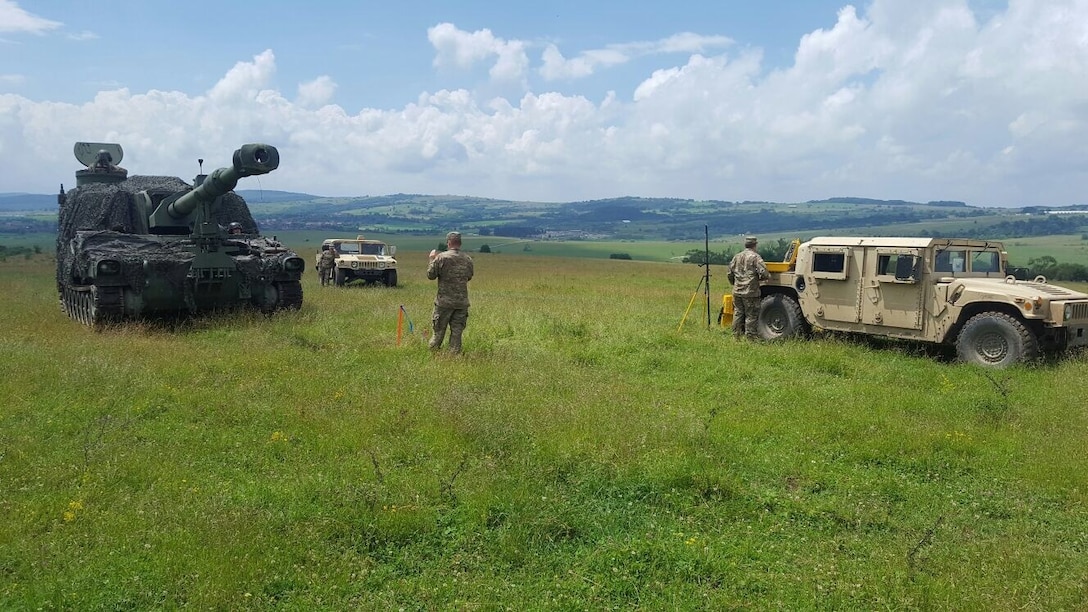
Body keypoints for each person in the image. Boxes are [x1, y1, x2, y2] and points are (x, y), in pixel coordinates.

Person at [427, 231, 474, 354]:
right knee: (457, 333)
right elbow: (469, 276)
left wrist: (432, 259)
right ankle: (453, 357)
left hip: (444, 302)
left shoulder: (441, 258)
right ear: (460, 243)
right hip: (461, 303)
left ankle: (434, 355)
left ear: (448, 242)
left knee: (438, 331)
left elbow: (431, 275)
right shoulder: (467, 259)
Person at [728, 235, 770, 340]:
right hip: (750, 291)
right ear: (755, 245)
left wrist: (734, 283)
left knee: (738, 313)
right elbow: (764, 273)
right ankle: (750, 337)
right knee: (751, 315)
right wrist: (762, 279)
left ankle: (735, 336)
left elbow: (729, 273)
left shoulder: (737, 257)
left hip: (737, 291)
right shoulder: (755, 257)